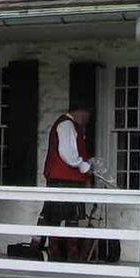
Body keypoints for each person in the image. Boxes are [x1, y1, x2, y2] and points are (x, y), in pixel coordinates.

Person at [36, 103, 93, 261]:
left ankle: (68, 251)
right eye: (87, 116)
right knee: (59, 217)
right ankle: (58, 251)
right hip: (63, 178)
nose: (87, 121)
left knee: (69, 217)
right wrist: (83, 166)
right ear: (81, 112)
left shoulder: (70, 125)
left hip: (66, 178)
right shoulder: (66, 125)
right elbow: (67, 153)